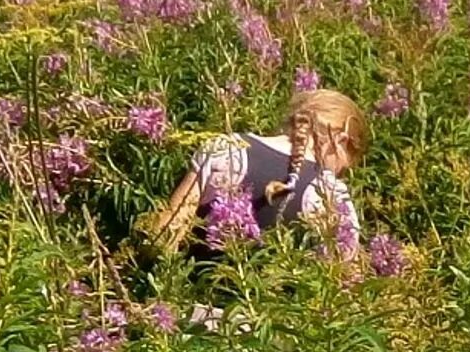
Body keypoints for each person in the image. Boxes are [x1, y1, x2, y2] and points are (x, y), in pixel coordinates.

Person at [138, 88, 370, 259]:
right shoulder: (330, 194)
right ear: (339, 141)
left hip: (193, 316)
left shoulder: (225, 149)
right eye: (344, 166)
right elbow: (341, 278)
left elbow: (166, 232)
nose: (339, 173)